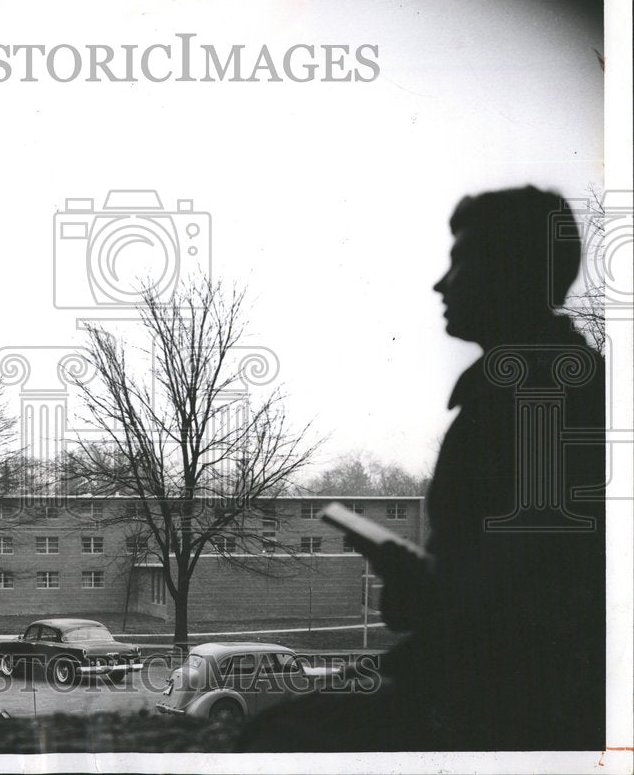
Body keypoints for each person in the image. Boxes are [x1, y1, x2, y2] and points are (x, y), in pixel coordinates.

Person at [237, 186, 605, 751]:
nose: (442, 283)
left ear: (511, 270)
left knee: (273, 740)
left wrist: (411, 582)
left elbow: (516, 607)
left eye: (462, 261)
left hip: (506, 693)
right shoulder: (529, 388)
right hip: (491, 675)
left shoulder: (540, 404)